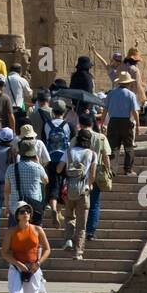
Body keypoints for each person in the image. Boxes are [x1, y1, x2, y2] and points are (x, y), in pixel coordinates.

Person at [0, 202, 51, 293]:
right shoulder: (11, 231)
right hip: (17, 268)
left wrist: (38, 263)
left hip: (33, 268)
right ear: (17, 215)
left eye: (27, 211)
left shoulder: (37, 230)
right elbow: (4, 252)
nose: (25, 214)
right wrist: (18, 264)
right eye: (22, 211)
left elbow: (47, 249)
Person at [72, 112, 111, 242]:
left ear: (80, 124)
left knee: (78, 204)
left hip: (77, 175)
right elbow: (106, 156)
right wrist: (108, 171)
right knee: (94, 204)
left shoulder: (76, 138)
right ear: (92, 124)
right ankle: (90, 231)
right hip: (97, 173)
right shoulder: (101, 138)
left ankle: (77, 229)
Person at [4, 126, 49, 228]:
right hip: (33, 207)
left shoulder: (11, 168)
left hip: (15, 206)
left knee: (14, 236)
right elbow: (46, 181)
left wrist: (7, 206)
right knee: (34, 234)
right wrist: (37, 162)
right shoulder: (38, 168)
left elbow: (7, 190)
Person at [62, 128, 97, 258]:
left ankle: (69, 239)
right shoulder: (92, 154)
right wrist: (91, 184)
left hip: (69, 189)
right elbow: (92, 174)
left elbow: (60, 168)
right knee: (82, 225)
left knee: (69, 217)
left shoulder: (69, 152)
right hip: (84, 190)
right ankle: (78, 252)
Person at [102, 72, 141, 173]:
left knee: (113, 147)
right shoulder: (131, 94)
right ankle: (128, 170)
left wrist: (103, 123)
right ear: (128, 83)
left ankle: (112, 170)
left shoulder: (111, 94)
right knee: (129, 147)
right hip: (126, 122)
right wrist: (138, 125)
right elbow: (135, 111)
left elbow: (105, 110)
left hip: (113, 122)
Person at [43, 99, 73, 223]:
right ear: (64, 111)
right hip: (64, 158)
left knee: (53, 184)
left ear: (52, 111)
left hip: (51, 158)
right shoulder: (67, 125)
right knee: (63, 184)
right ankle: (60, 212)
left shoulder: (47, 124)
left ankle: (54, 208)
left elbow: (44, 141)